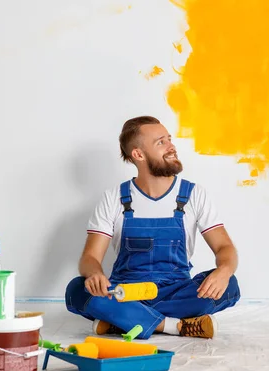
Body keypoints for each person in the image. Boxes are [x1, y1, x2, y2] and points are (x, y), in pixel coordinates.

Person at [64, 116, 241, 339]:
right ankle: (172, 326)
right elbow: (90, 257)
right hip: (125, 292)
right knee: (77, 289)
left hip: (175, 291)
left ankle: (122, 320)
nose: (172, 147)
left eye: (169, 139)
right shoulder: (114, 198)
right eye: (161, 142)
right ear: (138, 154)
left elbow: (224, 247)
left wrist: (224, 271)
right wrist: (95, 274)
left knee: (230, 285)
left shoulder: (194, 194)